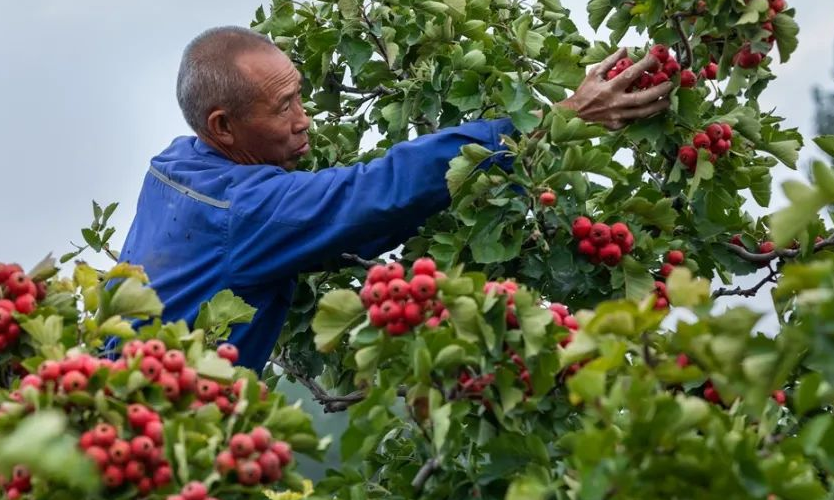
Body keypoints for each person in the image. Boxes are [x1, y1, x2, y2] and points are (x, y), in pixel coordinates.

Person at [115, 26, 671, 374]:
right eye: (283, 107)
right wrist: (559, 120)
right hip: (160, 445)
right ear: (224, 127)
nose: (303, 119)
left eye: (300, 95)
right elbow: (376, 192)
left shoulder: (175, 165)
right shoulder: (242, 213)